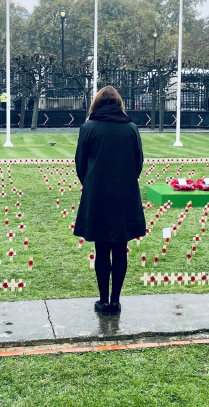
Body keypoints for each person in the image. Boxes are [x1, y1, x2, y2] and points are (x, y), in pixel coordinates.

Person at [74, 86, 145, 316]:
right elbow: (138, 163)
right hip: (125, 194)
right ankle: (115, 301)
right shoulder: (131, 129)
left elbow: (80, 164)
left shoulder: (88, 127)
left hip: (98, 194)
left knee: (102, 248)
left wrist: (92, 184)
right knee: (120, 249)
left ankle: (104, 301)